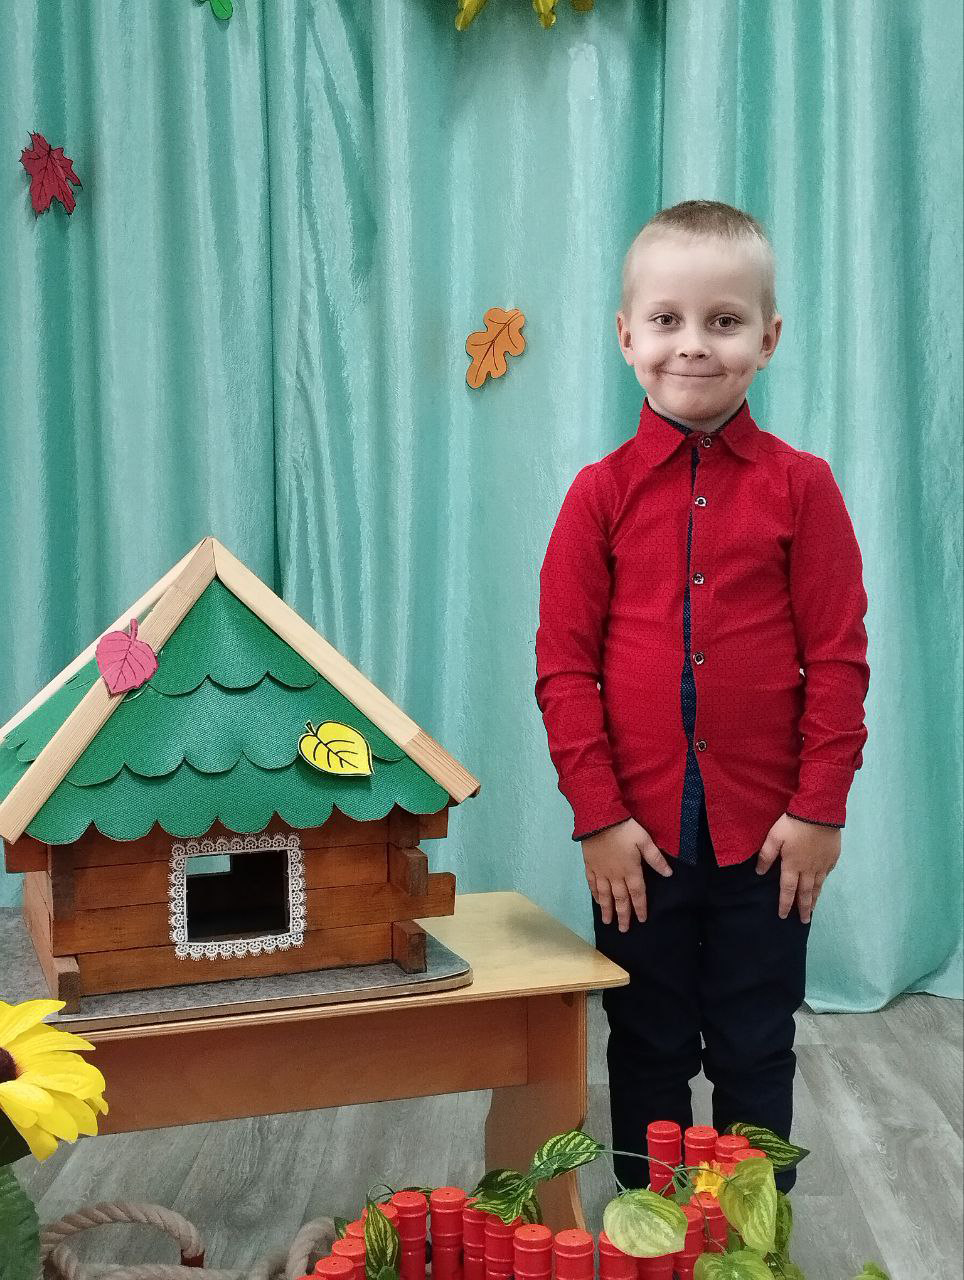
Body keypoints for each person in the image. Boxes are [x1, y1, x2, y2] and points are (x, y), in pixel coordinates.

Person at [534, 200, 870, 1196]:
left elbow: (838, 659)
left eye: (724, 321)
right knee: (646, 1038)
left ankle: (748, 1232)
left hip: (769, 839)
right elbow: (564, 671)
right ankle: (652, 1220)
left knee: (756, 1037)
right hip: (635, 842)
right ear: (625, 335)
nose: (693, 344)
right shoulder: (597, 495)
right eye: (667, 319)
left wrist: (819, 809)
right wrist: (598, 818)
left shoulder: (804, 488)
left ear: (768, 338)